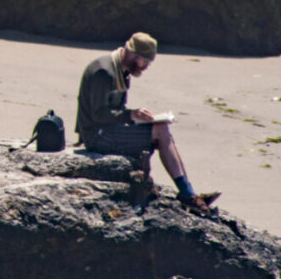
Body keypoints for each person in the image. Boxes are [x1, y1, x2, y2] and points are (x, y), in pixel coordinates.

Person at [76, 32, 219, 213]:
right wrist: (131, 115)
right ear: (134, 55)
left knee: (162, 128)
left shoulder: (121, 70)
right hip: (97, 136)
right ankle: (187, 193)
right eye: (146, 62)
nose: (146, 67)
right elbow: (98, 114)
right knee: (160, 131)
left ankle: (188, 191)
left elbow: (113, 111)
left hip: (108, 130)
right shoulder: (104, 72)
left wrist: (135, 118)